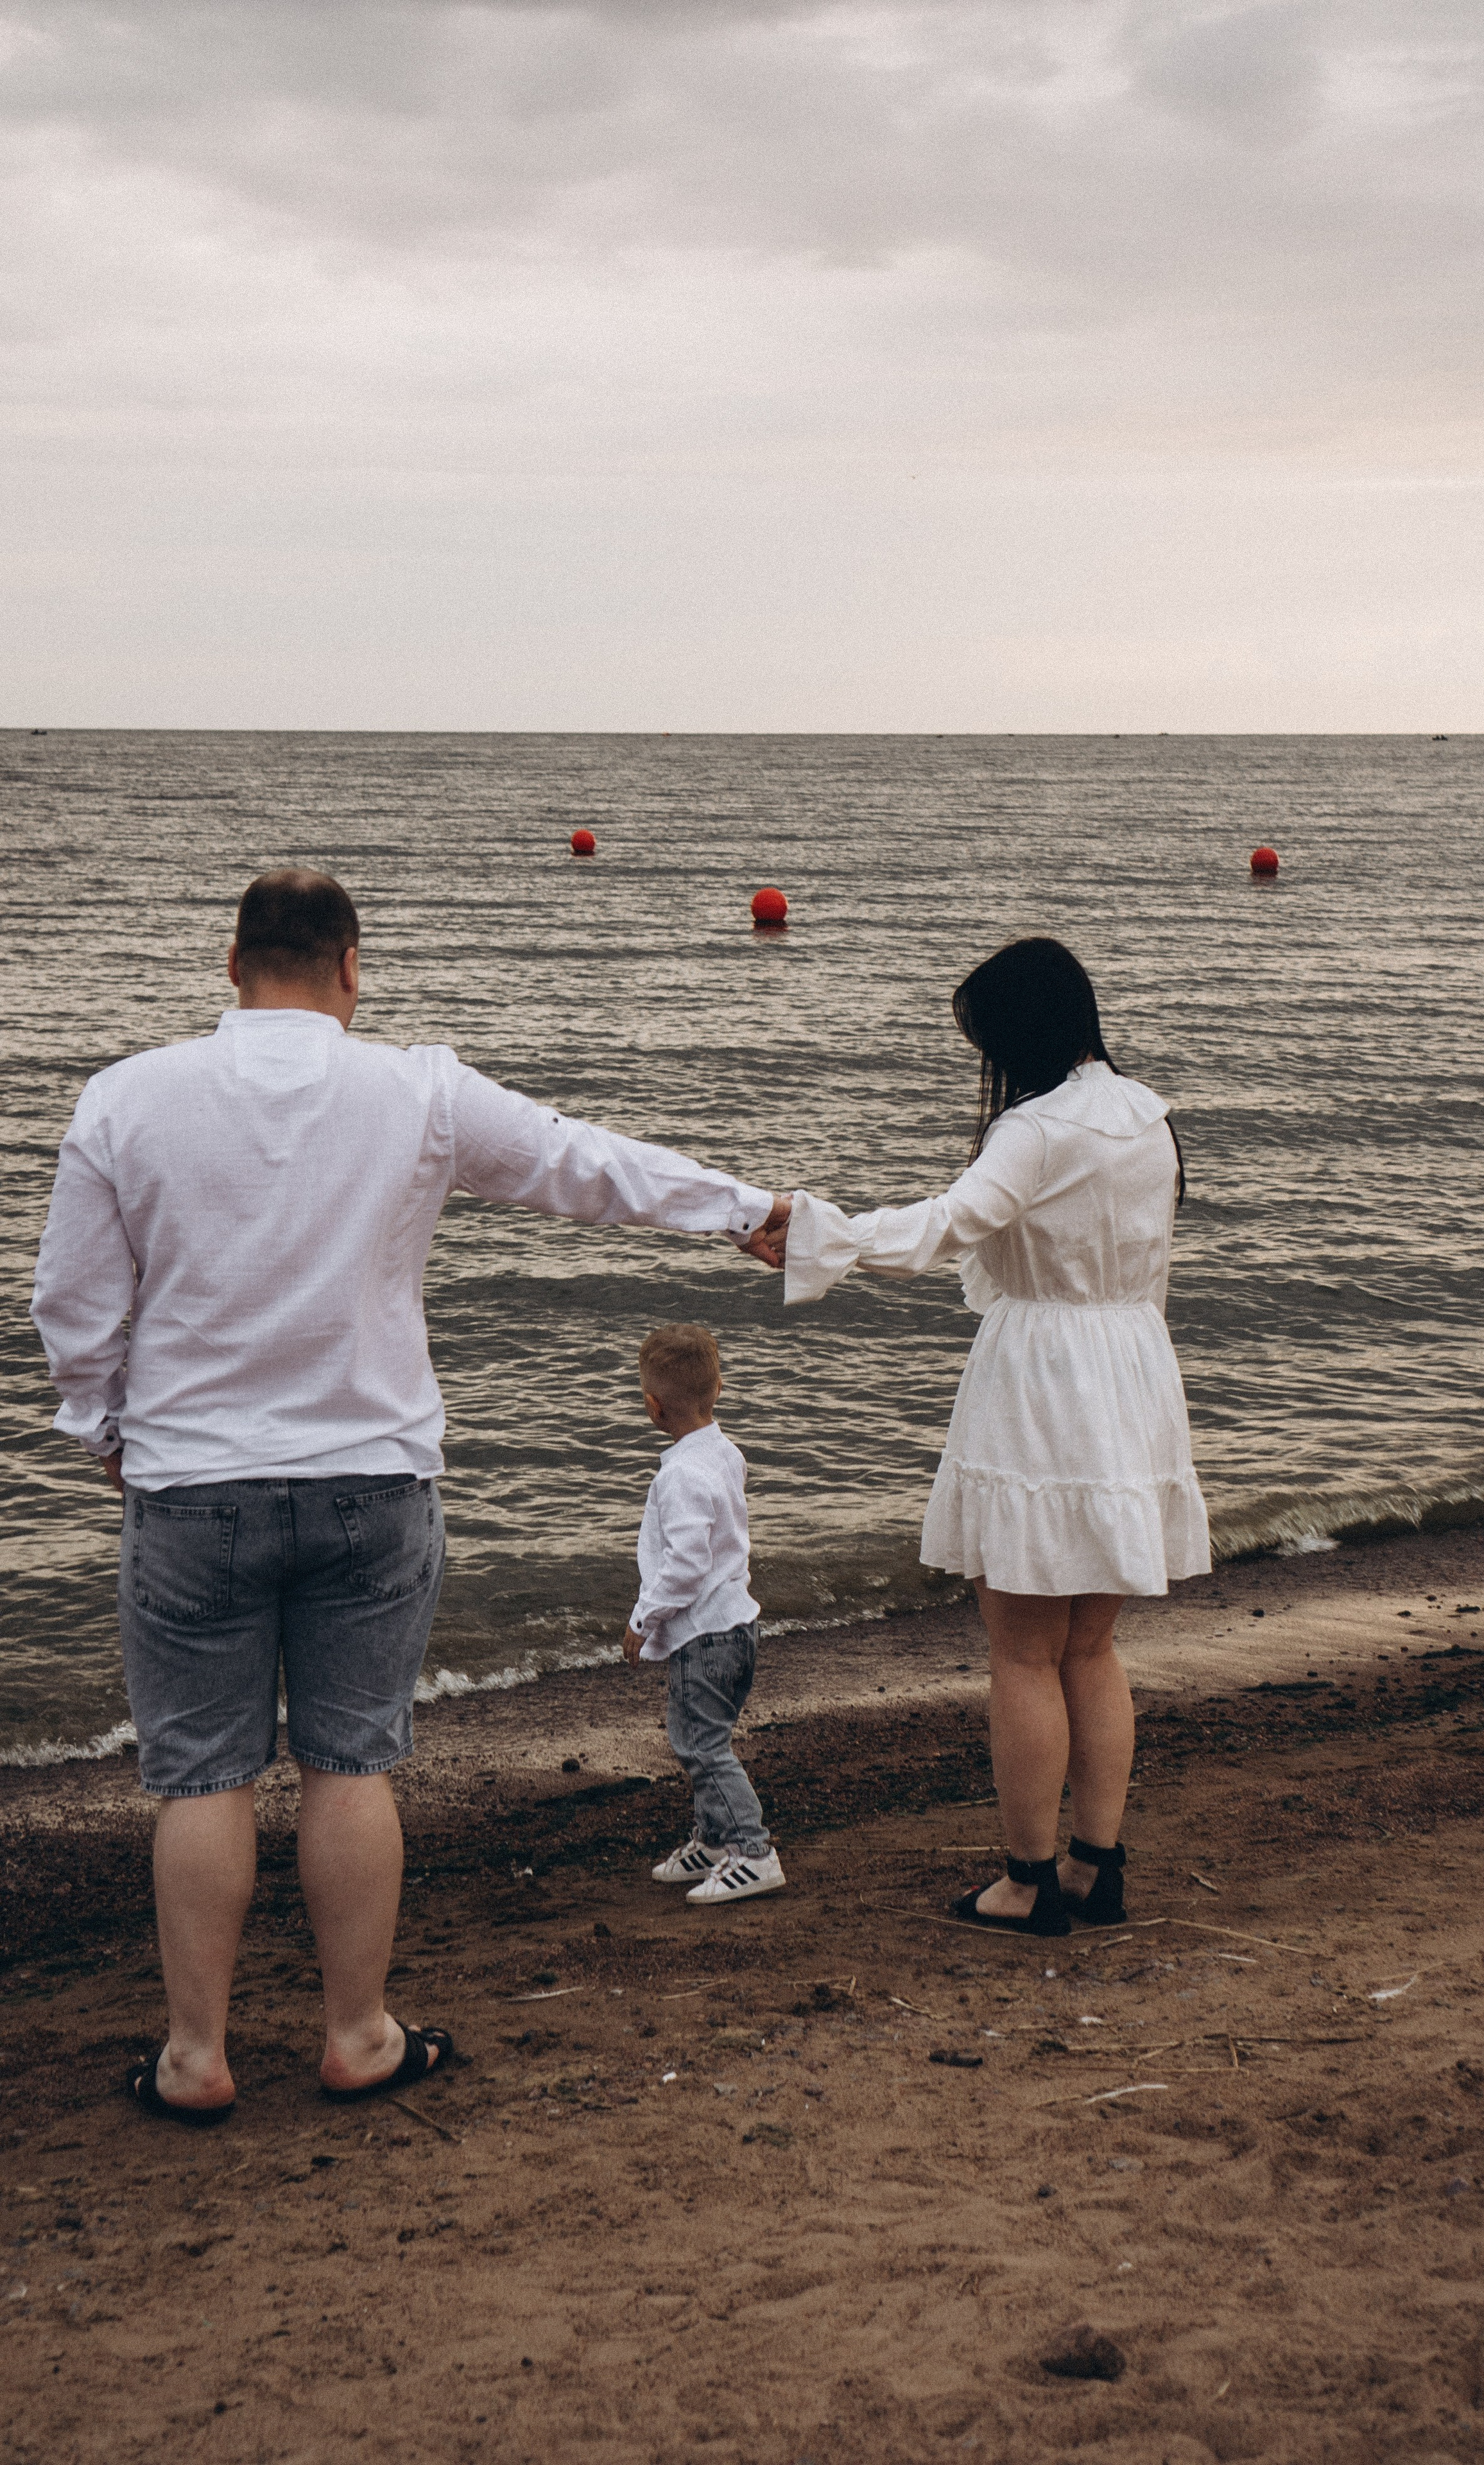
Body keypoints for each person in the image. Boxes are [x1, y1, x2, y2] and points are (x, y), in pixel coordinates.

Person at [30, 869, 788, 2120]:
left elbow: (71, 1303)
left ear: (231, 965)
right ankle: (358, 2037)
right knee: (348, 1764)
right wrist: (743, 1210)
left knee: (200, 1780)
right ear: (350, 967)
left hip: (191, 1490)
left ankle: (196, 2058)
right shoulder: (418, 1092)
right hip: (372, 1486)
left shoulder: (127, 1099)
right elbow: (577, 1166)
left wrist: (103, 1428)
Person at [780, 936, 1209, 1937]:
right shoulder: (1148, 1117)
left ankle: (1025, 1880)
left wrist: (810, 1230)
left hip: (1045, 1381)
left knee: (1022, 1653)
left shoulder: (1037, 1128)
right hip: (1133, 1368)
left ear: (1021, 1034)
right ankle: (1095, 1871)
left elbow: (940, 1231)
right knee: (1092, 1647)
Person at [621, 1324, 784, 1903]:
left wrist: (644, 1619)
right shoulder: (723, 1452)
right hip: (736, 1627)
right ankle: (715, 1841)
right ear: (718, 1389)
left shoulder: (681, 1474)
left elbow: (687, 1563)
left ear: (652, 1407)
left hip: (706, 1638)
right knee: (702, 1738)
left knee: (700, 1746)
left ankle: (753, 1851)